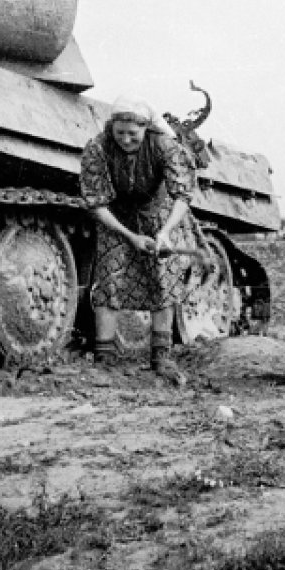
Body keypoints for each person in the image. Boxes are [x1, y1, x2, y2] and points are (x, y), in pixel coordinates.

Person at [80, 95, 202, 386]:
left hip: (158, 213)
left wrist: (165, 232)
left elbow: (182, 195)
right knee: (109, 280)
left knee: (162, 280)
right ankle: (104, 360)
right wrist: (130, 237)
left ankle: (161, 358)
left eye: (132, 134)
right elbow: (95, 202)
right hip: (116, 217)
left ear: (146, 128)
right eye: (119, 132)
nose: (125, 139)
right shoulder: (98, 147)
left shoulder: (164, 146)